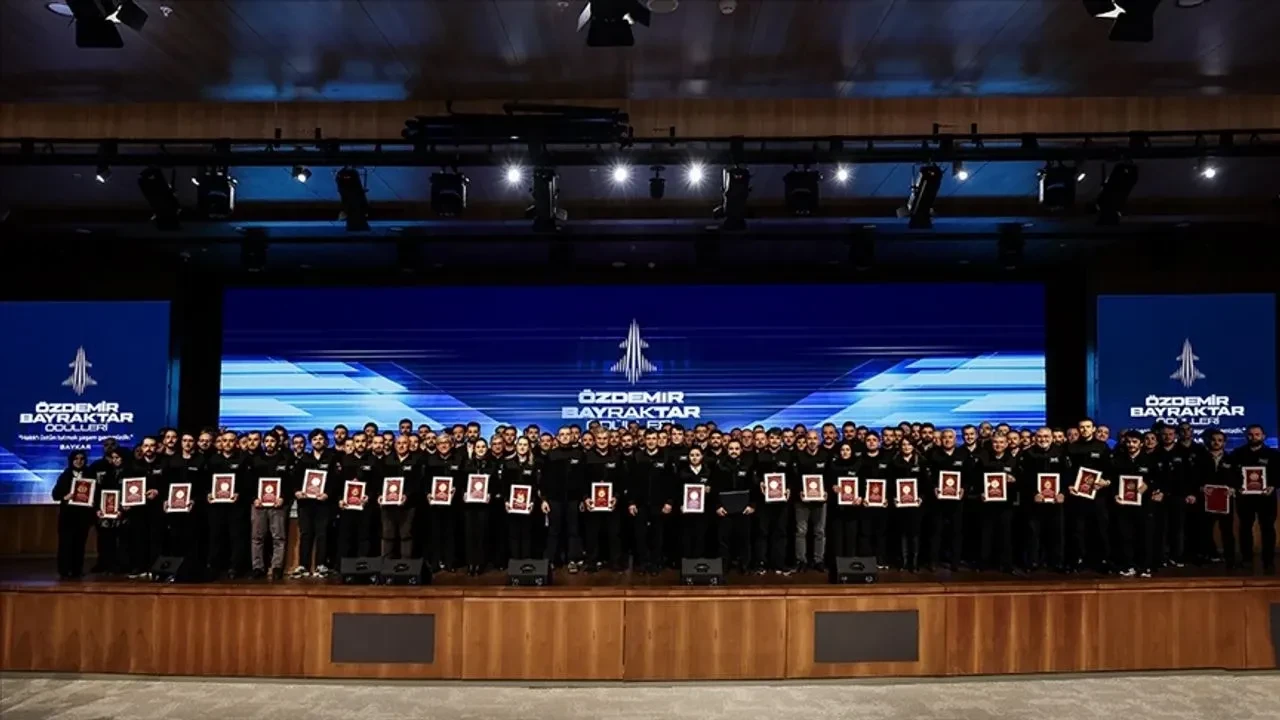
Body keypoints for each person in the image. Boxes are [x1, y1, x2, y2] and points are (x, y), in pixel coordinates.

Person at [1066, 418, 1114, 572]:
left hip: (1098, 496)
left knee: (1101, 528)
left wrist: (1105, 481)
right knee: (1078, 529)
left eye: (1088, 427)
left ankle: (1103, 560)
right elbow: (1066, 471)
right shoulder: (1071, 448)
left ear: (1093, 429)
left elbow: (1111, 470)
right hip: (1077, 495)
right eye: (1082, 427)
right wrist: (1069, 485)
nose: (1085, 430)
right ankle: (1078, 559)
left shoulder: (1102, 447)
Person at [1019, 427, 1070, 571]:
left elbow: (1068, 476)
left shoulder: (1061, 453)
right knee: (1033, 533)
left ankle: (1057, 563)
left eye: (1046, 436)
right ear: (1035, 438)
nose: (1043, 439)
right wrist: (1033, 493)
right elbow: (1023, 478)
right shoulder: (1027, 454)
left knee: (1056, 533)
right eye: (1040, 436)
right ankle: (1033, 562)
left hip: (1056, 502)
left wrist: (1063, 493)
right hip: (1034, 502)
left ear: (1052, 438)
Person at [292, 429, 340, 578]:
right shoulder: (304, 459)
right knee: (306, 534)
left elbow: (335, 481)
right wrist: (297, 492)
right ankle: (303, 566)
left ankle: (321, 565)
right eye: (315, 439)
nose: (318, 441)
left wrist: (328, 494)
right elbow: (294, 479)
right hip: (306, 504)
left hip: (323, 504)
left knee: (322, 534)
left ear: (326, 441)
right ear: (310, 442)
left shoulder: (332, 458)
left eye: (321, 439)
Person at [1111, 430, 1159, 577]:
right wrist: (1115, 495)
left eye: (1134, 442)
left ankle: (1145, 567)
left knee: (1144, 536)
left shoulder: (1149, 460)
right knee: (1125, 536)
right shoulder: (1118, 460)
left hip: (1143, 505)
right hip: (1123, 505)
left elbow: (1157, 479)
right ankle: (1128, 565)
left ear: (1141, 443)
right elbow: (1113, 481)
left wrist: (1148, 486)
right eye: (1129, 442)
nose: (1131, 445)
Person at [205, 430, 253, 579]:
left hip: (236, 506)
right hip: (217, 506)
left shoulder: (243, 459)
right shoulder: (213, 460)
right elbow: (205, 481)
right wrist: (208, 493)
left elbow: (249, 482)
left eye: (231, 441)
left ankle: (235, 567)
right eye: (224, 440)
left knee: (237, 537)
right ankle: (215, 567)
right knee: (216, 536)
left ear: (236, 443)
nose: (227, 443)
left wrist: (240, 494)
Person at [1231, 424, 1278, 573]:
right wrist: (1237, 486)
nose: (1254, 437)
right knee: (1245, 528)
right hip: (1245, 498)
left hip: (1266, 498)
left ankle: (1269, 560)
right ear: (1246, 436)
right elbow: (1231, 475)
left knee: (1268, 529)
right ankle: (1246, 558)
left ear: (1263, 436)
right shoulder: (1237, 454)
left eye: (1257, 434)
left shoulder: (1274, 455)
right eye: (1251, 434)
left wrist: (1273, 485)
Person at [629, 430, 673, 576]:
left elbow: (671, 482)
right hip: (641, 504)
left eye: (654, 438)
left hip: (659, 504)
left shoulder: (666, 457)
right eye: (648, 438)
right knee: (640, 535)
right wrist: (631, 502)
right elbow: (632, 483)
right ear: (644, 440)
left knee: (657, 535)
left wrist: (669, 502)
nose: (651, 441)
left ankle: (655, 563)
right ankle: (643, 563)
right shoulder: (637, 457)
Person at [542, 427, 585, 573]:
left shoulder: (579, 454)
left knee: (574, 531)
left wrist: (583, 499)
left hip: (573, 499)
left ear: (573, 437)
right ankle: (551, 560)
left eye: (568, 434)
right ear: (557, 437)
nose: (565, 437)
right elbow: (544, 480)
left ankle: (573, 560)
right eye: (562, 435)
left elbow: (583, 479)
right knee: (554, 531)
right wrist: (544, 499)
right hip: (554, 499)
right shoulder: (551, 455)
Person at [250, 433, 293, 580]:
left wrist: (283, 498)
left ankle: (276, 567)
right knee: (257, 537)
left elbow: (290, 483)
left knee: (279, 537)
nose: (269, 443)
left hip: (278, 505)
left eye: (272, 441)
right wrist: (254, 498)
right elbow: (248, 482)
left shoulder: (285, 459)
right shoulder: (256, 460)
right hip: (259, 504)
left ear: (277, 442)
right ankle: (257, 567)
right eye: (266, 441)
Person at [974, 433, 1018, 573]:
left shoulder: (1013, 460)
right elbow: (976, 480)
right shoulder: (983, 459)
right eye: (995, 442)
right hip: (987, 504)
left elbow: (1022, 481)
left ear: (1006, 444)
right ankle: (983, 564)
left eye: (1001, 442)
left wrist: (1014, 480)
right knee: (985, 534)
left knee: (1006, 535)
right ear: (991, 444)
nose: (998, 445)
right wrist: (980, 493)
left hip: (1006, 505)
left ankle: (1006, 565)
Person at [927, 429, 970, 571]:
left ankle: (955, 562)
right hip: (938, 501)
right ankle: (934, 562)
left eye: (950, 437)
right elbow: (928, 476)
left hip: (957, 500)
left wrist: (964, 488)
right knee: (936, 531)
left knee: (957, 532)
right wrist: (933, 487)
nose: (947, 440)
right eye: (944, 437)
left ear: (955, 439)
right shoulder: (933, 454)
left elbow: (970, 475)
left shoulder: (964, 454)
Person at [127, 436, 168, 578]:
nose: (149, 449)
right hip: (139, 509)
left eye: (152, 446)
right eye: (146, 446)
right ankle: (139, 567)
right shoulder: (133, 465)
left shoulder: (164, 464)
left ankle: (156, 569)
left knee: (157, 539)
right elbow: (126, 486)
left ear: (156, 447)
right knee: (139, 538)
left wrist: (158, 492)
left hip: (157, 508)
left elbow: (170, 485)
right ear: (141, 448)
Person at [753, 429, 793, 574]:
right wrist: (760, 484)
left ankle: (779, 563)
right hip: (764, 500)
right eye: (772, 438)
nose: (775, 440)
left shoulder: (788, 456)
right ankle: (761, 563)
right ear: (767, 439)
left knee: (781, 532)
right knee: (762, 532)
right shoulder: (760, 455)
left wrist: (789, 488)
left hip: (782, 501)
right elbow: (754, 475)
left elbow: (792, 476)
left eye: (777, 438)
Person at [423, 435, 463, 572]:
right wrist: (427, 493)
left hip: (453, 505)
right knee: (435, 534)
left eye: (446, 442)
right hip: (434, 505)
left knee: (451, 534)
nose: (443, 445)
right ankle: (435, 562)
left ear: (451, 444)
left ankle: (450, 562)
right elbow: (425, 481)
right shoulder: (430, 460)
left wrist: (457, 489)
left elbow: (464, 480)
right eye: (440, 443)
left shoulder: (459, 459)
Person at [336, 434, 379, 560]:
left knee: (364, 537)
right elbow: (337, 483)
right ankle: (344, 567)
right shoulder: (345, 460)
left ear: (368, 443)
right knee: (346, 537)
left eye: (363, 441)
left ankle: (363, 566)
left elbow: (377, 483)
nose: (360, 444)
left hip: (366, 506)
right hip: (347, 506)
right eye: (357, 441)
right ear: (353, 443)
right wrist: (339, 499)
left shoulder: (373, 460)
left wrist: (369, 496)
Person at [890, 436, 930, 572]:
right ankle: (904, 561)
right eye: (903, 445)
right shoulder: (894, 462)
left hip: (916, 504)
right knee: (902, 533)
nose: (906, 447)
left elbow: (926, 484)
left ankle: (914, 562)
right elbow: (890, 484)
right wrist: (893, 498)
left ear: (913, 446)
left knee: (915, 533)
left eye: (909, 444)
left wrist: (922, 498)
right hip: (900, 505)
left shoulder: (922, 462)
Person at [715, 438, 755, 571]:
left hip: (743, 510)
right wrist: (717, 506)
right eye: (731, 449)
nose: (734, 451)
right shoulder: (719, 466)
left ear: (741, 450)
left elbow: (753, 487)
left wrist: (752, 505)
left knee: (744, 539)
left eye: (736, 449)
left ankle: (744, 565)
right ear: (727, 450)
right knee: (724, 540)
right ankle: (724, 565)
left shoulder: (747, 466)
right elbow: (714, 489)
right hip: (724, 510)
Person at [53, 450, 94, 579]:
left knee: (80, 544)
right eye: (76, 458)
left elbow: (96, 492)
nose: (79, 461)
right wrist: (65, 496)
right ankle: (64, 570)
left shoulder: (90, 474)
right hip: (68, 516)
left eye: (82, 458)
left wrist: (93, 499)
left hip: (83, 516)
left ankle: (77, 569)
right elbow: (55, 495)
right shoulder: (65, 475)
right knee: (66, 543)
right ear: (71, 460)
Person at [792, 430, 829, 571]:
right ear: (805, 440)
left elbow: (830, 477)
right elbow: (793, 479)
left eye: (815, 438)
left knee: (820, 531)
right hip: (802, 501)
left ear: (819, 440)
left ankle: (818, 560)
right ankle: (801, 560)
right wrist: (798, 492)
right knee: (801, 531)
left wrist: (827, 492)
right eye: (809, 438)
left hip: (820, 501)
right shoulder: (798, 456)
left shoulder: (825, 456)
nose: (812, 441)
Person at [855, 432, 892, 569]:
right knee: (865, 533)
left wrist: (888, 497)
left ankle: (881, 560)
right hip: (865, 503)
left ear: (879, 441)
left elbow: (892, 480)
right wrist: (860, 496)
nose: (871, 442)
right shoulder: (860, 459)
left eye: (874, 440)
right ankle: (867, 561)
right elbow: (856, 481)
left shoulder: (887, 458)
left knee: (881, 533)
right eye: (868, 440)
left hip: (883, 503)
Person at [380, 434, 421, 560]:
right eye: (398, 443)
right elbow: (378, 481)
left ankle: (405, 565)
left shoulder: (417, 461)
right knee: (387, 535)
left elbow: (418, 482)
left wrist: (407, 496)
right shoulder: (386, 460)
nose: (401, 446)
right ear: (394, 445)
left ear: (409, 445)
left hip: (408, 505)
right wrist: (379, 495)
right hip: (388, 505)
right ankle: (386, 564)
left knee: (406, 535)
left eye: (404, 443)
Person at [462, 438, 499, 575]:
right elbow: (461, 482)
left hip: (485, 506)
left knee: (482, 535)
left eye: (483, 446)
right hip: (469, 505)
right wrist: (463, 494)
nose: (481, 449)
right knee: (470, 535)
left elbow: (496, 484)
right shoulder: (467, 464)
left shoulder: (492, 465)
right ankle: (471, 563)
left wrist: (491, 494)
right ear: (474, 449)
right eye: (478, 447)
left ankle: (480, 563)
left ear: (487, 448)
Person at [501, 436, 540, 560]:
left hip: (528, 505)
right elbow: (504, 485)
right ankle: (515, 561)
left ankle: (526, 561)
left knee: (527, 534)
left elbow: (536, 485)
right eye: (520, 444)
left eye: (525, 445)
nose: (522, 447)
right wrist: (506, 501)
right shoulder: (508, 463)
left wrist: (533, 502)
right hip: (512, 505)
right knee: (513, 534)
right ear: (516, 447)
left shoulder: (534, 464)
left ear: (529, 447)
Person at [826, 441, 860, 562]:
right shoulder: (832, 466)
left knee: (851, 537)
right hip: (836, 507)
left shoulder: (858, 465)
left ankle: (850, 563)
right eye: (842, 450)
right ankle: (838, 563)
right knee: (837, 537)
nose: (845, 452)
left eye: (847, 450)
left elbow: (862, 485)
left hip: (852, 508)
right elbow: (827, 483)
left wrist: (860, 496)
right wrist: (832, 487)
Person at [676, 446, 712, 558]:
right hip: (686, 510)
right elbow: (676, 490)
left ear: (702, 456)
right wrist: (680, 505)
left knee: (700, 535)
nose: (694, 458)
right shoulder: (682, 472)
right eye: (692, 455)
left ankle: (698, 560)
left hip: (703, 510)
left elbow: (715, 489)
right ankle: (686, 561)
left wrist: (710, 489)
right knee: (686, 536)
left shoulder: (708, 472)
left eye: (697, 455)